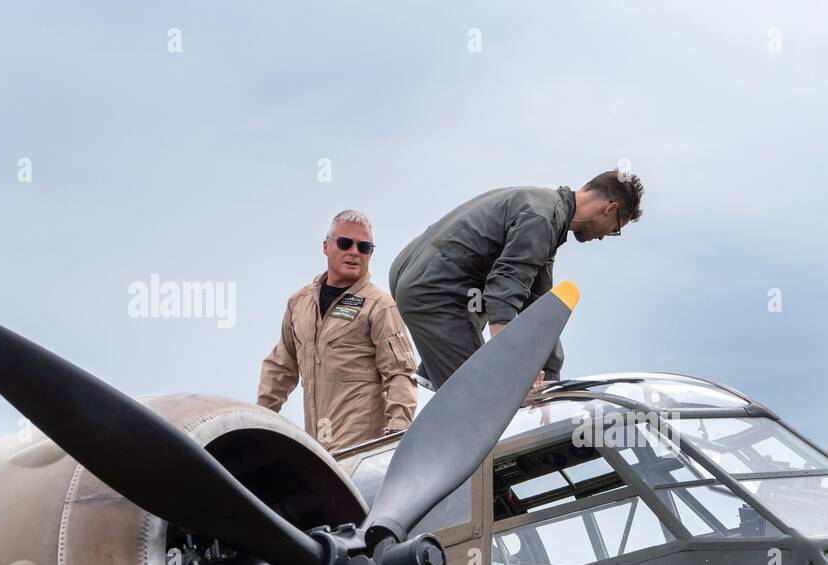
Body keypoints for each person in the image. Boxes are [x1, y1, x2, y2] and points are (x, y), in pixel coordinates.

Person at [388, 170, 644, 390]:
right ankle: (450, 384)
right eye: (615, 229)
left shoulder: (547, 210)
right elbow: (504, 294)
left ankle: (437, 366)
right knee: (488, 400)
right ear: (609, 209)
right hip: (436, 293)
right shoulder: (542, 219)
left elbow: (539, 305)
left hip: (412, 276)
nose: (604, 237)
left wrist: (551, 379)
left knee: (484, 373)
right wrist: (515, 366)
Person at [258, 210, 417, 451]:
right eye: (345, 243)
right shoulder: (299, 303)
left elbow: (400, 373)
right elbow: (281, 367)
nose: (354, 252)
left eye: (364, 247)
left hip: (364, 450)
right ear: (326, 247)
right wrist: (259, 422)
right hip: (320, 451)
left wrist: (397, 434)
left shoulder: (380, 306)